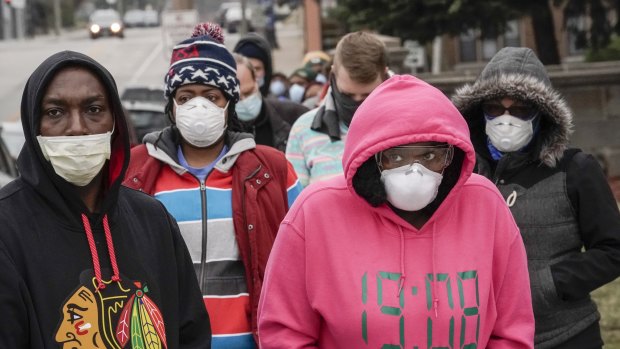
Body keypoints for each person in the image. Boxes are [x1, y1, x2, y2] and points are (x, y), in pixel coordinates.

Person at [258, 74, 535, 348]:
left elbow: (512, 331)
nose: (415, 171)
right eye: (396, 157)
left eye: (430, 156)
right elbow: (284, 334)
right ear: (371, 160)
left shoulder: (485, 206)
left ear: (450, 158)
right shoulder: (316, 213)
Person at [0, 50, 211, 348]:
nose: (77, 127)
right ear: (34, 126)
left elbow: (192, 333)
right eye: (55, 112)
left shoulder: (153, 220)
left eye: (94, 109)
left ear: (115, 124)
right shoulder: (8, 230)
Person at [123, 23, 303, 348]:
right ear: (172, 104)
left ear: (228, 102)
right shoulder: (136, 171)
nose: (198, 106)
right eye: (186, 96)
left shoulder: (272, 170)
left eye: (211, 96)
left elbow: (304, 257)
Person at [451, 46, 620, 349]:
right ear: (479, 111)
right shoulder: (462, 172)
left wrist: (547, 284)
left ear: (542, 113)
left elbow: (613, 250)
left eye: (520, 109)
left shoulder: (575, 169)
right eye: (494, 107)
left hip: (565, 335)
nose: (506, 119)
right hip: (485, 338)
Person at [286, 31, 390, 188]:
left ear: (385, 76)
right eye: (347, 94)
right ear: (333, 75)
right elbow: (296, 205)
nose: (357, 103)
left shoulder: (410, 127)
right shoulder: (303, 130)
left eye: (367, 95)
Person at [233, 53, 308, 152]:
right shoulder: (220, 134)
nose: (244, 101)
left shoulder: (295, 114)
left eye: (248, 92)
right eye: (236, 98)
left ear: (256, 82)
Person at [234, 32, 273, 97]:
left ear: (266, 71)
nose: (253, 74)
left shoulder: (277, 105)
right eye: (247, 68)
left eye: (257, 68)